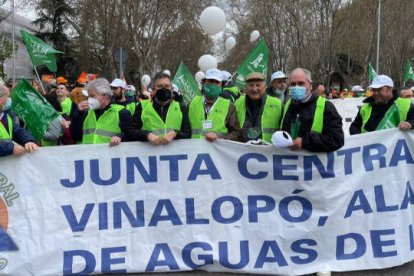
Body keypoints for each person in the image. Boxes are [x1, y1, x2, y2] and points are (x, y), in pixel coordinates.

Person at [280, 68, 344, 152]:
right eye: (293, 84)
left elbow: (337, 139)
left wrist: (305, 142)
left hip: (313, 163)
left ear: (310, 85)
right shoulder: (288, 104)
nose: (296, 87)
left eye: (300, 83)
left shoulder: (326, 106)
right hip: (288, 162)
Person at [126, 72, 190, 144]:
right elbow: (130, 131)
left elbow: (188, 133)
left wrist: (175, 134)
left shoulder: (181, 107)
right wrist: (147, 135)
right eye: (159, 86)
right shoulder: (142, 106)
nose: (163, 89)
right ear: (153, 89)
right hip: (149, 153)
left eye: (166, 86)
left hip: (174, 154)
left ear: (171, 89)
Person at [70, 78, 131, 146]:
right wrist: (78, 114)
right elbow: (75, 136)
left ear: (105, 95)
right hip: (88, 155)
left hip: (111, 155)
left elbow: (130, 135)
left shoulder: (121, 113)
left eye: (92, 96)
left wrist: (120, 136)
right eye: (88, 96)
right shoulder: (85, 113)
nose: (89, 99)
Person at [188, 68, 242, 142]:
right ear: (204, 83)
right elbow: (185, 130)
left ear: (221, 85)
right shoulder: (192, 103)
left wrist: (219, 137)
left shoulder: (229, 106)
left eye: (216, 82)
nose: (213, 85)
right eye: (210, 81)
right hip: (195, 151)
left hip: (218, 151)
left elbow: (237, 133)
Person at [350, 75, 414, 134]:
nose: (375, 93)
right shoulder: (365, 108)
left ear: (390, 89)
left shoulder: (406, 105)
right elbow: (354, 127)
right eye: (373, 90)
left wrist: (410, 123)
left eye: (379, 90)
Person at [235, 72, 282, 143]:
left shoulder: (278, 104)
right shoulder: (237, 103)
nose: (254, 89)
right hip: (242, 151)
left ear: (265, 87)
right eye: (251, 85)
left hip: (268, 152)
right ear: (246, 87)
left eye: (258, 85)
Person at [0, 85, 38, 156]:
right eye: (8, 97)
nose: (9, 99)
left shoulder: (5, 116)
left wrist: (28, 140)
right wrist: (11, 148)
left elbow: (17, 130)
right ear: (0, 100)